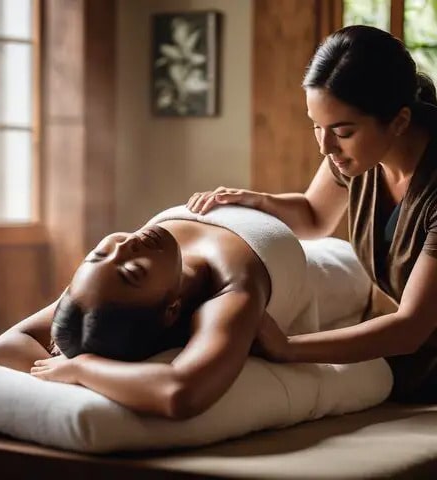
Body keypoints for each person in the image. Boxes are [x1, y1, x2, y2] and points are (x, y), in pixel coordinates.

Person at [187, 25, 437, 403]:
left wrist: (289, 348)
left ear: (399, 121)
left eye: (342, 130)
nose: (326, 146)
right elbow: (314, 214)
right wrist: (254, 200)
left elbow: (411, 328)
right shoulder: (359, 156)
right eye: (316, 126)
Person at [0, 204, 321, 419]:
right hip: (333, 264)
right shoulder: (230, 291)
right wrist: (83, 367)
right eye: (133, 272)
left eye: (98, 256)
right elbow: (179, 393)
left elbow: (7, 345)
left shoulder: (98, 294)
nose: (124, 247)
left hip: (285, 208)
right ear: (172, 310)